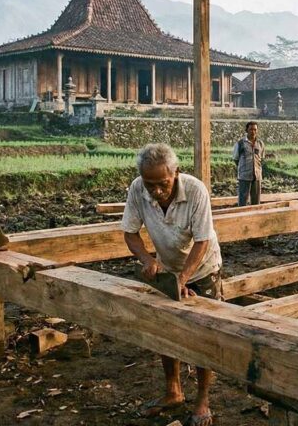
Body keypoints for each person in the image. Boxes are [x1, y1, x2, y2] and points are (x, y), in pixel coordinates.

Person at [122, 143, 222, 426]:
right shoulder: (137, 189)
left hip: (202, 268)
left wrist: (183, 278)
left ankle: (202, 399)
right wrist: (145, 259)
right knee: (165, 328)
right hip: (167, 268)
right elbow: (130, 233)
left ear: (175, 173)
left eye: (162, 183)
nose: (155, 190)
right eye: (149, 184)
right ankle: (173, 391)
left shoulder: (195, 191)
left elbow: (202, 241)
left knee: (202, 333)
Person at [232, 121, 264, 206]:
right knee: (243, 201)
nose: (253, 131)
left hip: (257, 176)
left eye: (255, 129)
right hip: (244, 176)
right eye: (251, 129)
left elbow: (261, 158)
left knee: (256, 202)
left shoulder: (260, 143)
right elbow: (236, 159)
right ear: (246, 130)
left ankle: (255, 218)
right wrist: (244, 168)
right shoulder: (240, 143)